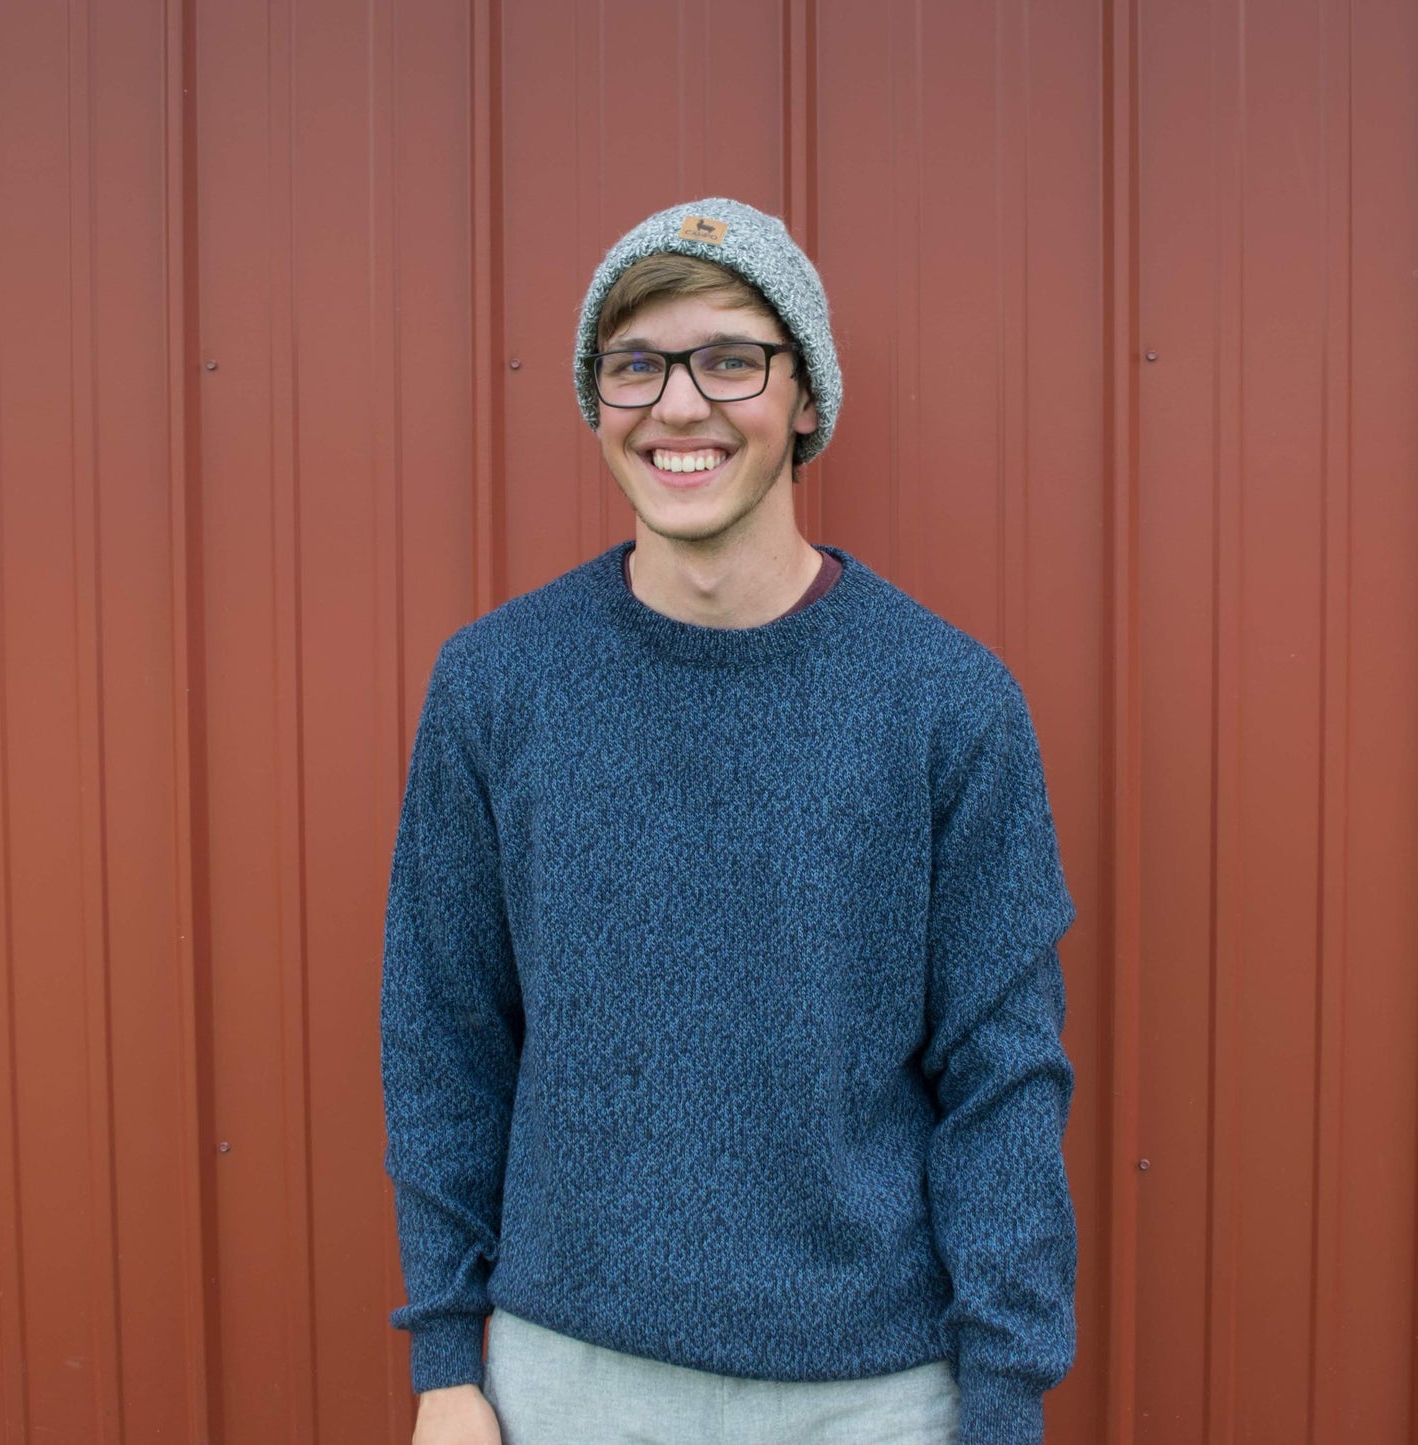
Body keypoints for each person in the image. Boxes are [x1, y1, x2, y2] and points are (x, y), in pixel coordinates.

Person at [381, 197, 1077, 1445]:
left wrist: (1002, 1400)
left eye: (729, 357)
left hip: (872, 1392)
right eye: (635, 362)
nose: (679, 405)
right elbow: (443, 1030)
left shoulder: (948, 703)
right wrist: (445, 1360)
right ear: (597, 402)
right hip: (563, 1377)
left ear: (805, 397)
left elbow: (1001, 1077)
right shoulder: (494, 684)